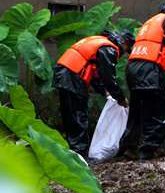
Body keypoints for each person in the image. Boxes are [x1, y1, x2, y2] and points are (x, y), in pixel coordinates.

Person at [121, 1, 165, 159]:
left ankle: (130, 147)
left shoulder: (151, 22)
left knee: (137, 111)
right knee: (156, 110)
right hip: (149, 68)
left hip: (133, 67)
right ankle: (149, 150)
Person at [53, 30, 134, 158]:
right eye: (127, 49)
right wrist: (120, 98)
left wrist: (105, 93)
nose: (124, 53)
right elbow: (108, 78)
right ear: (124, 42)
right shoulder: (109, 48)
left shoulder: (98, 41)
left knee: (71, 116)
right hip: (73, 77)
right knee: (78, 116)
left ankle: (73, 153)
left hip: (63, 73)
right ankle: (80, 156)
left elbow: (96, 75)